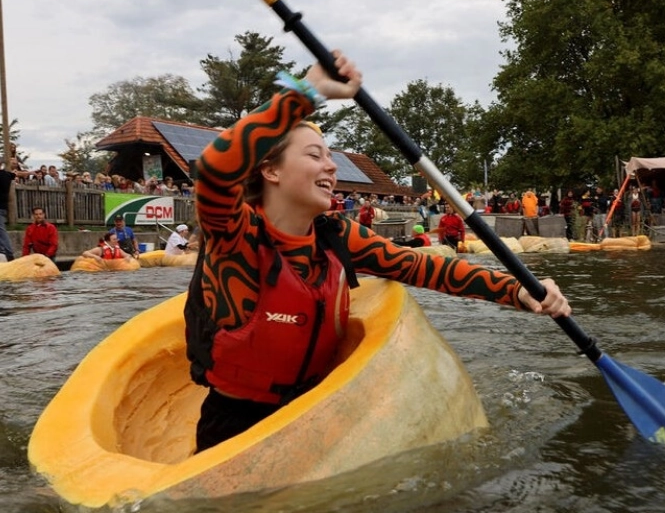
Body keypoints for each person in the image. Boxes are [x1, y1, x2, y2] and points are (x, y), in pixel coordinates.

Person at [182, 51, 571, 453]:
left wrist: (518, 291)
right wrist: (304, 93)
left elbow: (424, 269)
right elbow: (214, 171)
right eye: (314, 155)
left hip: (314, 411)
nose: (331, 167)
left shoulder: (337, 236)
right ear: (271, 170)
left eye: (330, 157)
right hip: (235, 423)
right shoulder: (235, 235)